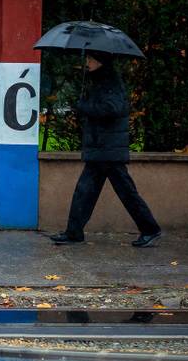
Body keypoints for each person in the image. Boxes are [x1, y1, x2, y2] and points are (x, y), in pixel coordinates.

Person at [51, 50, 161, 247]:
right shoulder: (100, 81)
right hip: (100, 148)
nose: (87, 62)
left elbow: (113, 109)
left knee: (126, 192)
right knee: (84, 192)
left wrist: (85, 107)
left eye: (91, 58)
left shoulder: (111, 82)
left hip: (108, 150)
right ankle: (74, 232)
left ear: (101, 61)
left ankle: (150, 229)